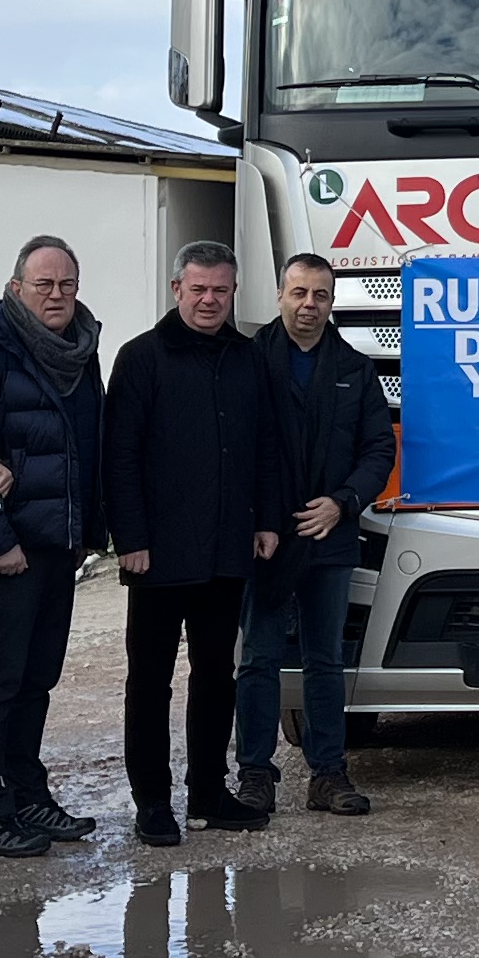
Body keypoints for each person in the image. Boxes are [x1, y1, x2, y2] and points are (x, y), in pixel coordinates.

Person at [104, 239, 287, 847]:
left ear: (234, 292)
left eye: (221, 290)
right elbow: (120, 455)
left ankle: (208, 793)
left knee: (215, 676)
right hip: (156, 554)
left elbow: (265, 446)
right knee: (150, 682)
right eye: (199, 289)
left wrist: (265, 520)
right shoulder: (141, 357)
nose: (210, 300)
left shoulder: (246, 358)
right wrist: (130, 537)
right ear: (177, 288)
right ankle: (153, 803)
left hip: (226, 550)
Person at [0, 236, 107, 860]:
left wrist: (86, 533)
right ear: (17, 289)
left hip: (57, 546)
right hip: (6, 549)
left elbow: (85, 448)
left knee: (37, 678)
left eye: (66, 284)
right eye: (43, 284)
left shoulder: (82, 350)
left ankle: (26, 793)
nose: (56, 295)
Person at [236, 250, 393, 818]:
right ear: (280, 295)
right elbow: (233, 448)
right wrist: (257, 519)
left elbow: (378, 449)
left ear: (332, 302)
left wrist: (342, 503)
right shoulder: (247, 362)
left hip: (330, 536)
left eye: (320, 295)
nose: (309, 305)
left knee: (325, 659)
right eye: (298, 293)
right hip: (267, 539)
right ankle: (255, 775)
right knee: (258, 659)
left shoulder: (355, 369)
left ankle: (328, 775)